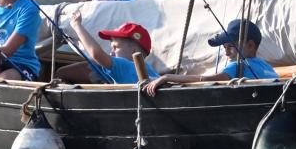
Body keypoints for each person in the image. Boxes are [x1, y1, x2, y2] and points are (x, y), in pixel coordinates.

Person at [144, 19, 278, 95]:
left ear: (250, 45)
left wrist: (167, 77)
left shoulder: (238, 66)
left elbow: (205, 80)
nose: (226, 53)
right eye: (224, 47)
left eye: (230, 46)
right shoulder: (267, 67)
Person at [67, 18, 160, 85]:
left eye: (115, 47)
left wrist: (77, 25)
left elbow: (97, 54)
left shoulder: (124, 66)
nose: (111, 53)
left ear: (134, 51)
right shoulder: (149, 69)